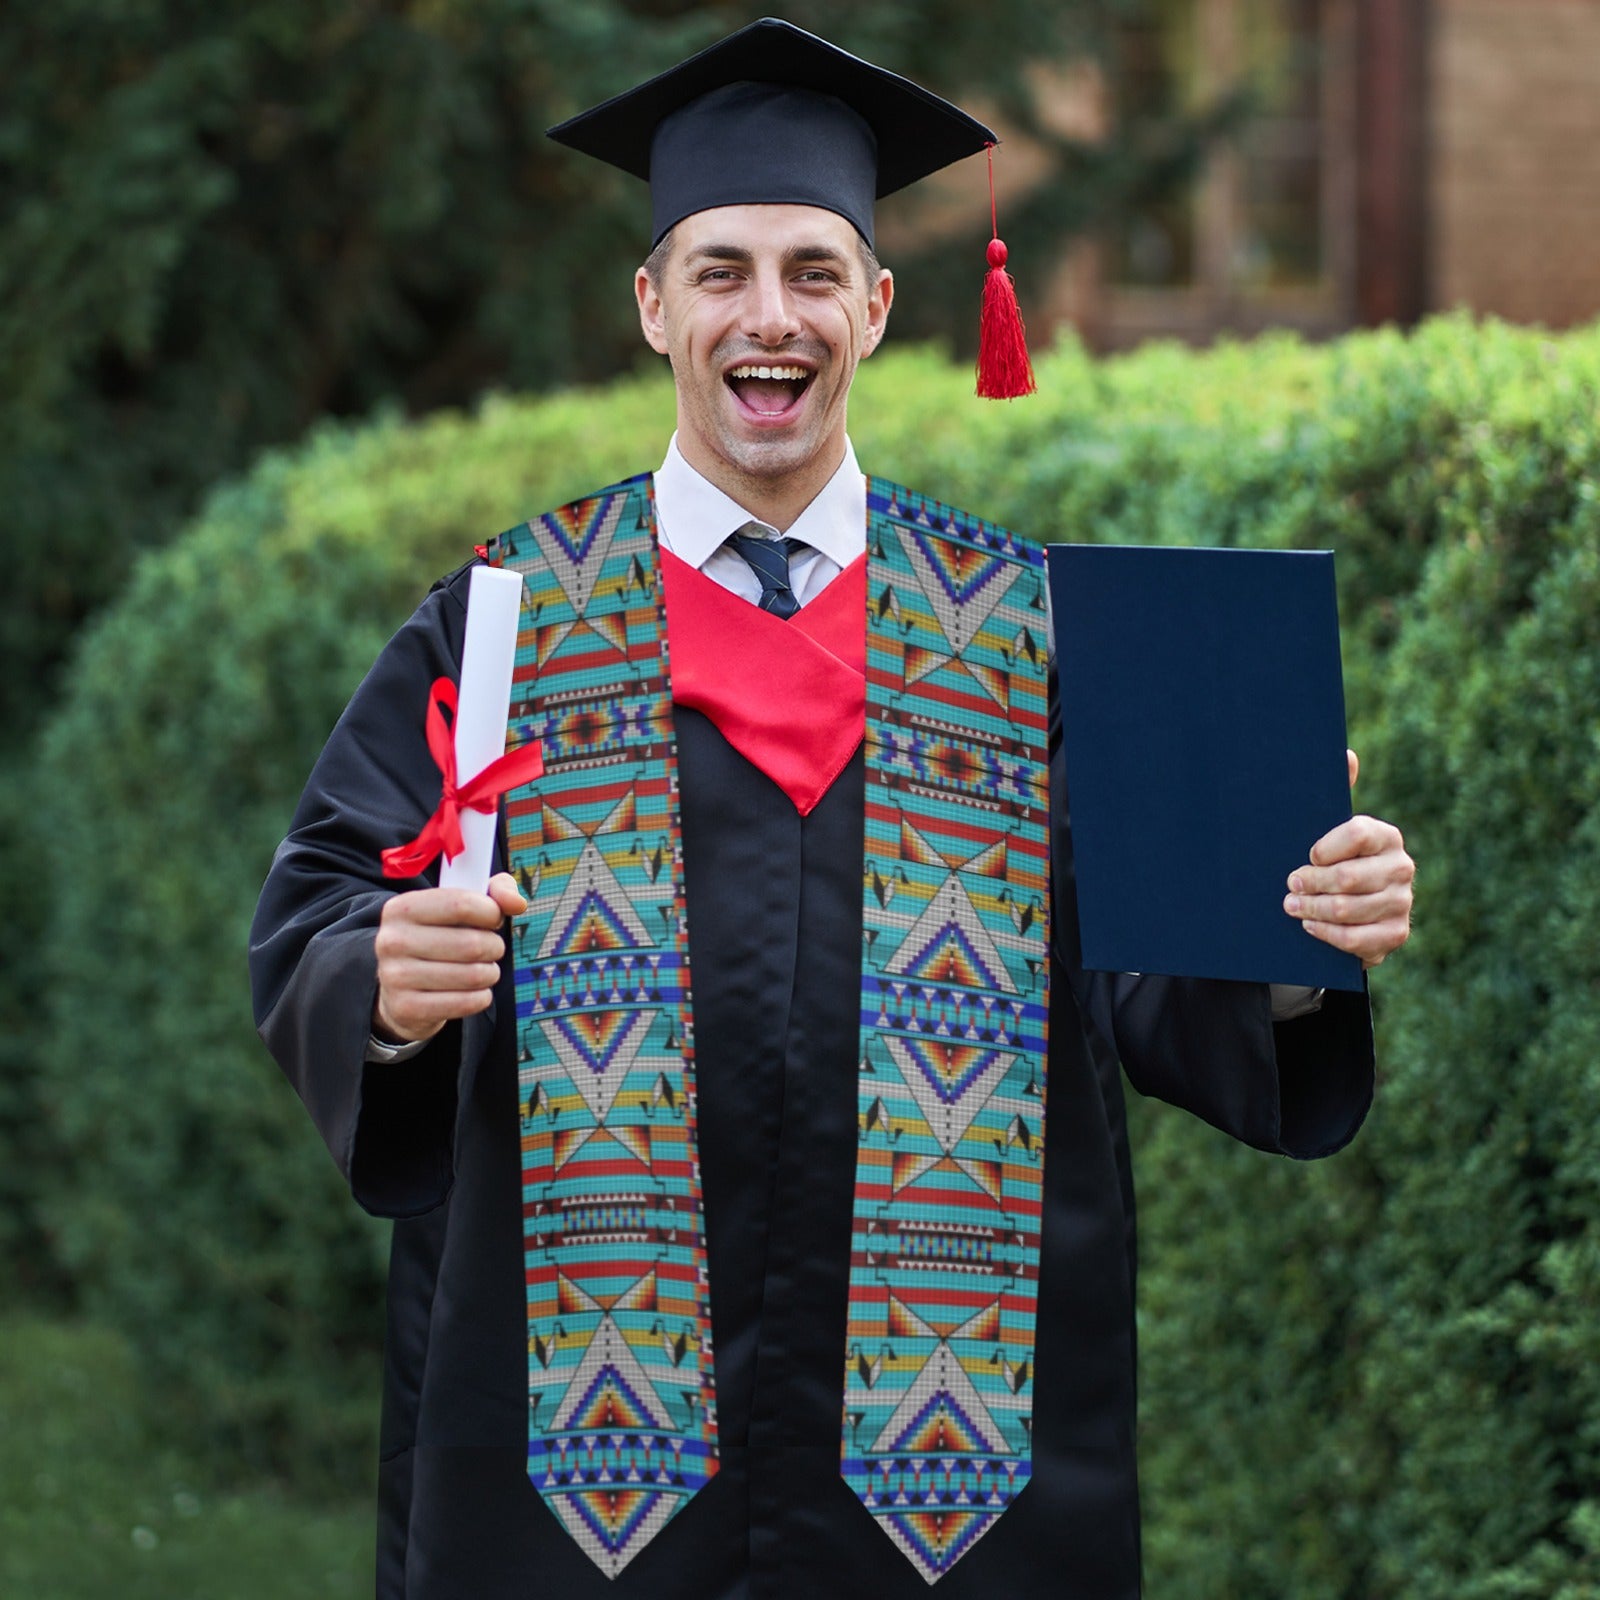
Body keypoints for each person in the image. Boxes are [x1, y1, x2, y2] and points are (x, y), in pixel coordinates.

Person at [249, 19, 1414, 1600]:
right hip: (580, 1478)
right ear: (654, 305)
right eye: (721, 270)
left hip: (956, 1479)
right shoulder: (510, 622)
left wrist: (1292, 935)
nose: (768, 316)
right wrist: (380, 984)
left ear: (876, 305)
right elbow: (323, 902)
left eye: (812, 271)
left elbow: (1153, 980)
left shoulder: (1033, 632)